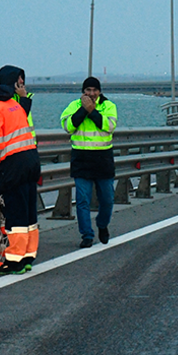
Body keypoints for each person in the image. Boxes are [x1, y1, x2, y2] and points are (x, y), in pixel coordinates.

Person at [0, 65, 42, 274]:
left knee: (15, 215)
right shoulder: (13, 106)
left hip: (13, 166)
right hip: (31, 161)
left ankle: (14, 261)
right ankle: (27, 257)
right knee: (29, 214)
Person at [61, 77, 118, 248]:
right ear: (83, 91)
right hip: (81, 159)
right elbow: (68, 126)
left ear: (99, 91)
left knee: (107, 199)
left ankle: (102, 224)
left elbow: (108, 126)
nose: (91, 93)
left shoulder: (108, 106)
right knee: (82, 200)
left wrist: (92, 111)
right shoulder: (74, 106)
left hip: (103, 159)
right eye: (88, 90)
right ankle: (86, 234)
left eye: (94, 90)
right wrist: (83, 110)